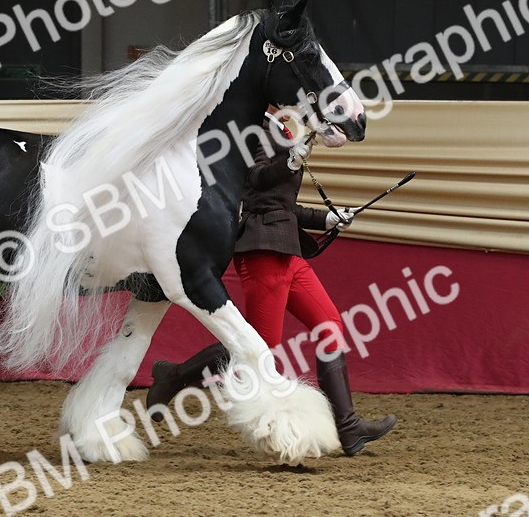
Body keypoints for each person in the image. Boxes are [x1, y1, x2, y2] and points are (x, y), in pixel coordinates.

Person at [147, 112, 396, 456]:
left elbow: (281, 206)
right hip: (262, 249)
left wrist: (328, 217)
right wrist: (292, 160)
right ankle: (175, 376)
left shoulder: (281, 129)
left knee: (330, 326)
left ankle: (348, 427)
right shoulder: (250, 127)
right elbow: (259, 182)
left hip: (288, 251)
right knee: (261, 344)